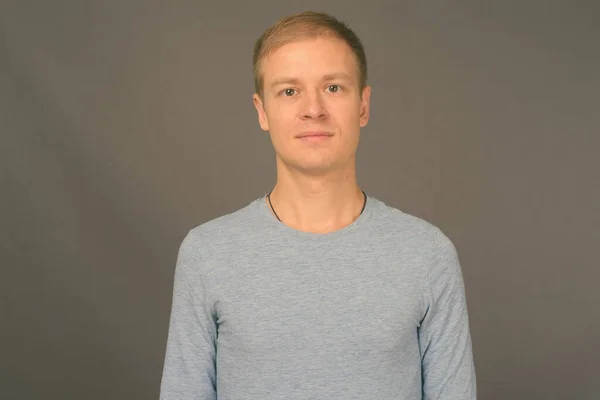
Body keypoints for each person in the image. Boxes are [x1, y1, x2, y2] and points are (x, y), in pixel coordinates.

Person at [160, 10, 476, 400]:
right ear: (262, 111)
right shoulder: (207, 254)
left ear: (363, 105)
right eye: (289, 91)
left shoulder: (427, 254)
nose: (313, 109)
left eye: (333, 88)